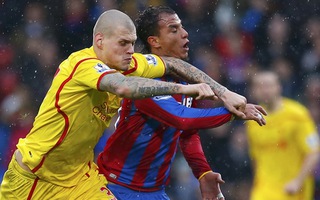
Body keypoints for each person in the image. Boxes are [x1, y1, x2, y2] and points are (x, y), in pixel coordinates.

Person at [0, 9, 247, 200]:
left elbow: (172, 64)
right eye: (122, 43)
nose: (130, 50)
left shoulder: (129, 63)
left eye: (132, 43)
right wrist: (183, 88)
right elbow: (122, 87)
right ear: (100, 41)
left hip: (79, 178)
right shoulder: (82, 64)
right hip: (34, 176)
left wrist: (224, 92)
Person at [97, 6, 267, 200]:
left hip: (154, 191)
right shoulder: (145, 80)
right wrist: (233, 113)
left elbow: (187, 133)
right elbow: (182, 119)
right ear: (155, 41)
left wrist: (202, 172)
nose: (185, 34)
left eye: (182, 27)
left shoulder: (182, 80)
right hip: (118, 188)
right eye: (174, 29)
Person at [246, 70, 320, 200]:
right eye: (259, 86)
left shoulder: (298, 115)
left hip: (292, 190)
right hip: (264, 190)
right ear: (254, 90)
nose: (264, 90)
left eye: (268, 85)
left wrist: (298, 181)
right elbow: (256, 157)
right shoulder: (252, 119)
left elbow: (313, 152)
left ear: (278, 87)